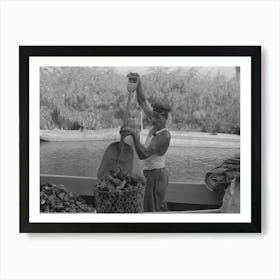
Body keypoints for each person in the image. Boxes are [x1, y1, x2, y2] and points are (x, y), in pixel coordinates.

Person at [120, 73, 171, 212]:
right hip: (150, 173)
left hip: (156, 175)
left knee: (151, 208)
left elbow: (143, 154)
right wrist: (138, 83)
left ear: (165, 118)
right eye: (153, 116)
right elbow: (142, 101)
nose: (153, 120)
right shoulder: (156, 123)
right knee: (154, 204)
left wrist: (134, 134)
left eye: (157, 118)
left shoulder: (164, 136)